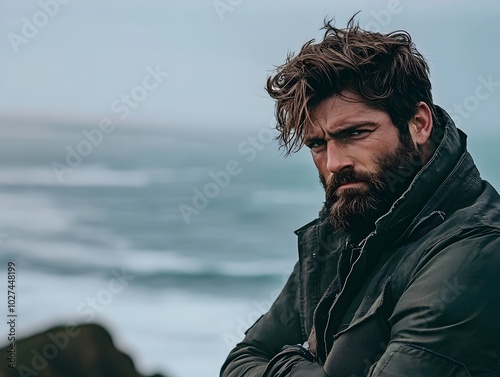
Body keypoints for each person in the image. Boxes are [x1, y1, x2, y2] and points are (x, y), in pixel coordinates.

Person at [220, 17, 500, 377]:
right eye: (318, 144)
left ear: (418, 123)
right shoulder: (344, 228)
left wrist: (294, 359)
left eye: (355, 133)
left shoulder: (477, 251)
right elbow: (240, 361)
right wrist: (305, 367)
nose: (334, 163)